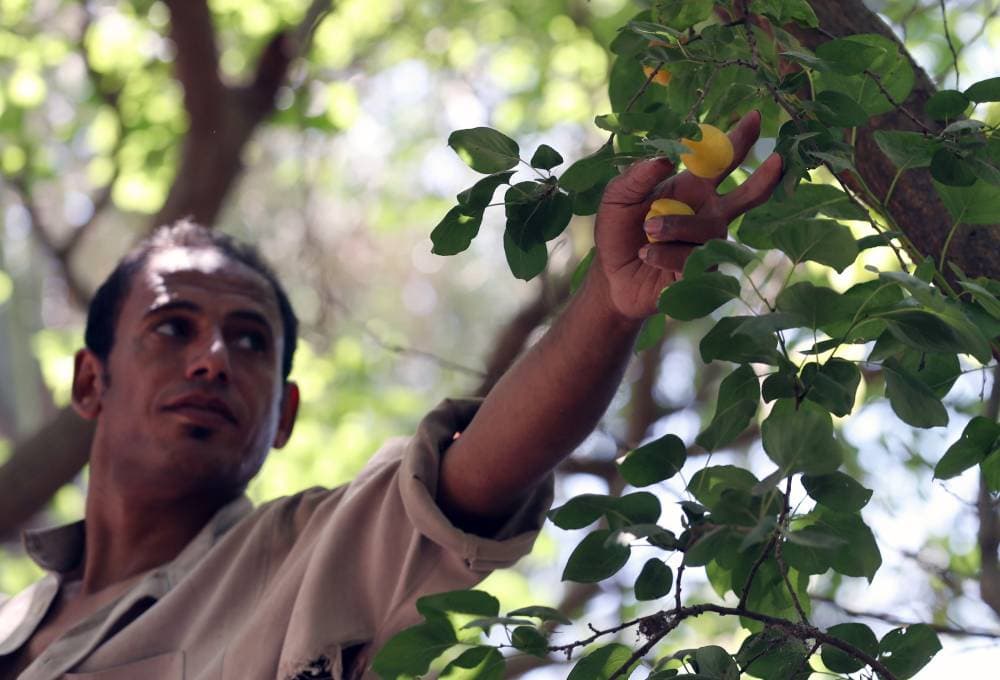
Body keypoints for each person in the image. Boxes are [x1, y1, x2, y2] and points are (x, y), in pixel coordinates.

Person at [0, 111, 782, 680]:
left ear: (285, 416)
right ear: (89, 381)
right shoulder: (11, 626)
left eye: (250, 342)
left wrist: (607, 307)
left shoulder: (306, 557)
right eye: (173, 327)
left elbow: (474, 475)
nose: (212, 361)